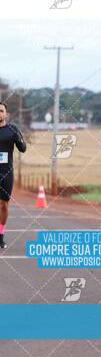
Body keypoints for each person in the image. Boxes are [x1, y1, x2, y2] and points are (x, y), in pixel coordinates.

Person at [0, 102, 27, 249]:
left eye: (1, 111)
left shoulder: (12, 129)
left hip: (6, 173)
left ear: (6, 114)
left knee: (3, 205)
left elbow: (23, 148)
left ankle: (1, 235)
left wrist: (19, 138)